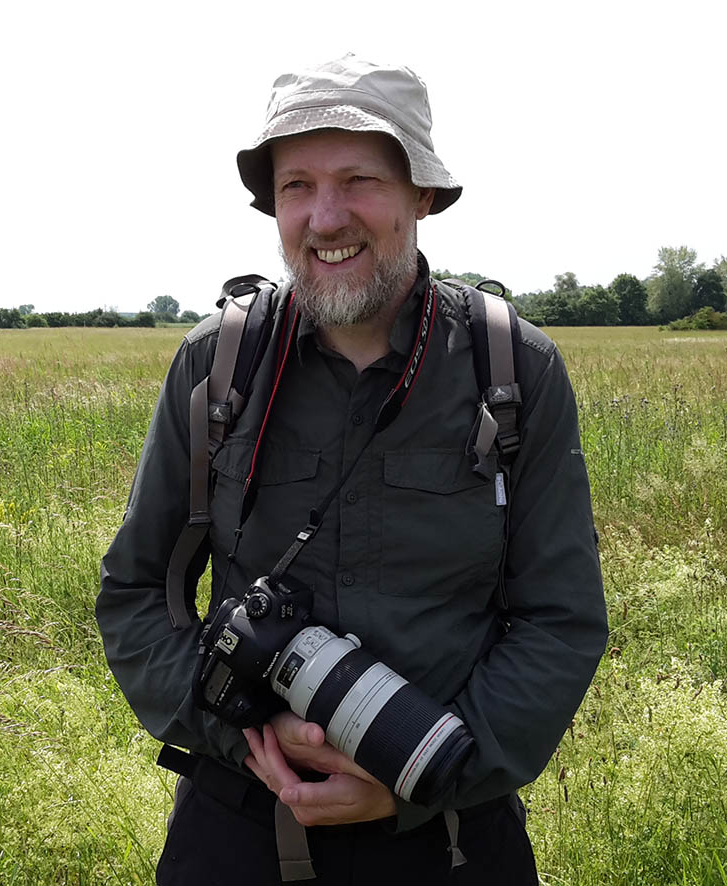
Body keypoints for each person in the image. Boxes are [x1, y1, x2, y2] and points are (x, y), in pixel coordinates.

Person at [96, 54, 608, 885]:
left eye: (359, 179)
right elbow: (136, 591)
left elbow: (561, 617)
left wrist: (420, 776)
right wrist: (246, 738)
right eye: (296, 185)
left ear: (422, 196)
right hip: (237, 828)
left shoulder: (511, 370)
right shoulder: (218, 364)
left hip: (449, 836)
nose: (325, 217)